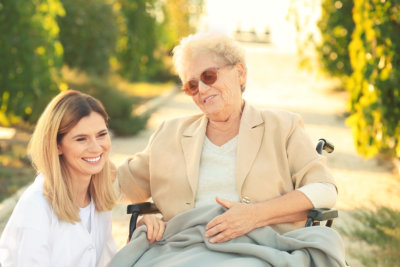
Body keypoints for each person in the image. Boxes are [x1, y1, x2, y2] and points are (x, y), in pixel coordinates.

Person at [116, 32, 338, 243]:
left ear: (240, 73)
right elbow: (116, 186)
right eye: (192, 85)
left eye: (209, 76)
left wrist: (255, 215)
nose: (202, 89)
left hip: (263, 250)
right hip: (181, 248)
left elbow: (324, 189)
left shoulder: (283, 127)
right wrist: (88, 149)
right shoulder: (169, 134)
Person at [0, 90, 164, 267]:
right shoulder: (37, 206)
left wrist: (138, 235)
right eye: (81, 139)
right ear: (57, 146)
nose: (96, 147)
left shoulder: (98, 197)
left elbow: (106, 264)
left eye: (101, 134)